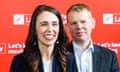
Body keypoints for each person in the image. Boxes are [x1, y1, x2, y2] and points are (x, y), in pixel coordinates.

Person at [10, 4, 68, 72]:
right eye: (44, 24)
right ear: (34, 29)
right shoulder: (20, 62)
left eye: (54, 24)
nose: (50, 29)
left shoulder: (70, 60)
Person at [66, 3, 120, 72]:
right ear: (68, 27)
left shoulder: (109, 56)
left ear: (92, 23)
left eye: (83, 22)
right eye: (74, 23)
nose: (79, 27)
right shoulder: (59, 55)